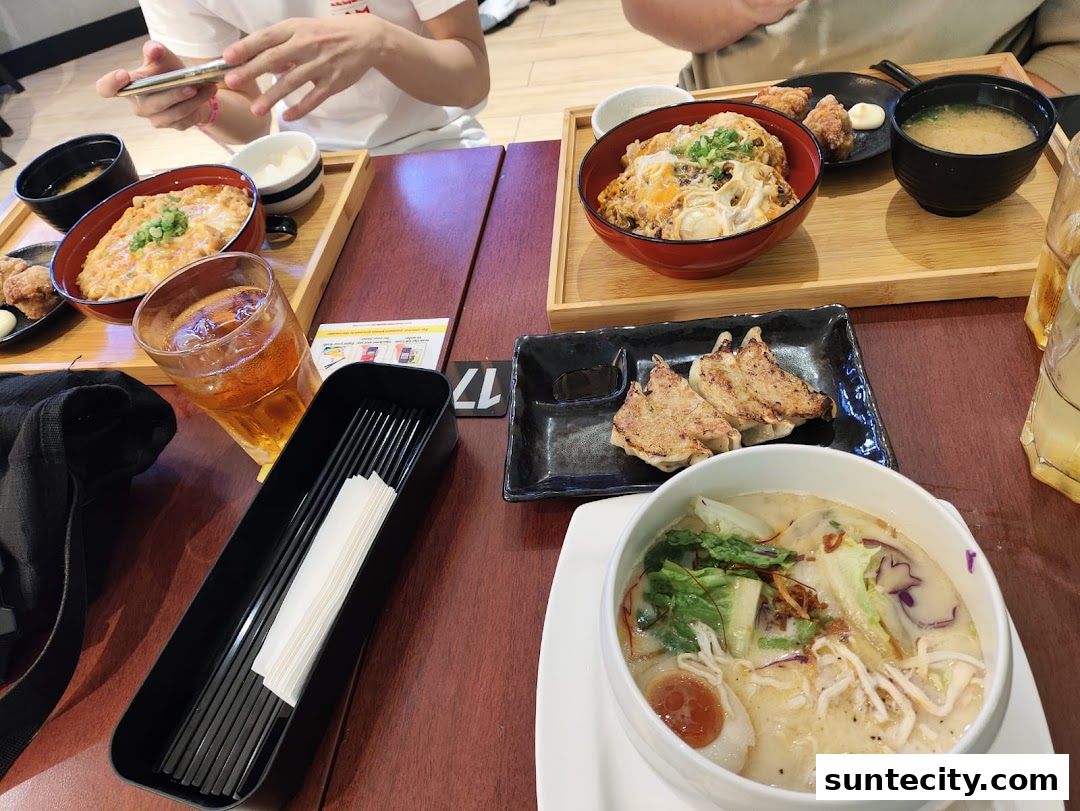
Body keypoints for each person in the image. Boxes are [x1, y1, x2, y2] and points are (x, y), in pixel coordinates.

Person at [96, 0, 491, 155]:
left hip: (435, 141)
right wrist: (199, 106)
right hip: (310, 159)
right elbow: (252, 124)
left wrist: (379, 39)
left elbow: (470, 77)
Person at [619, 0, 1080, 97]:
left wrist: (985, 126)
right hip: (737, 109)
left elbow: (1069, 52)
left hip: (960, 130)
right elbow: (645, 7)